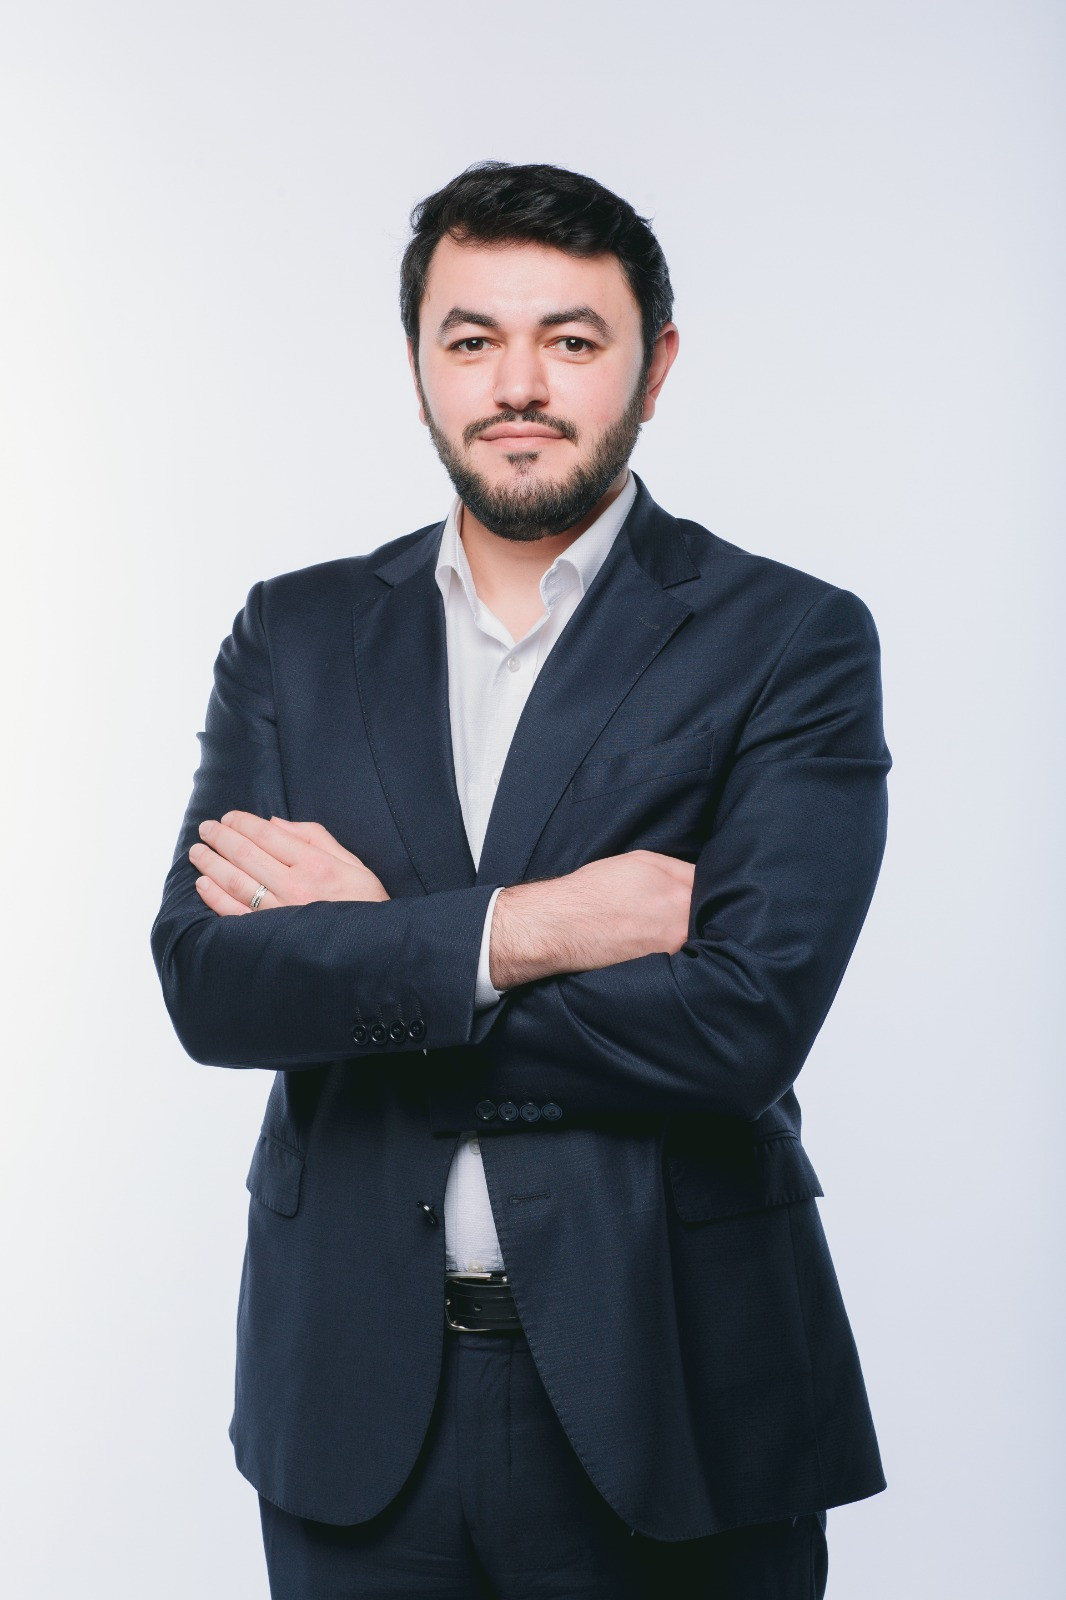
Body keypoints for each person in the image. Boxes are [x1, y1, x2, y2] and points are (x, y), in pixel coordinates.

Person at [151, 161, 890, 1599]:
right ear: (419, 363)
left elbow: (740, 1025)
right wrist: (530, 929)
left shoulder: (787, 639)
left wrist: (369, 953)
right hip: (350, 1396)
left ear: (652, 367)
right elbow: (213, 988)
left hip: (674, 1387)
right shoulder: (295, 634)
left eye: (571, 339)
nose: (518, 385)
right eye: (473, 338)